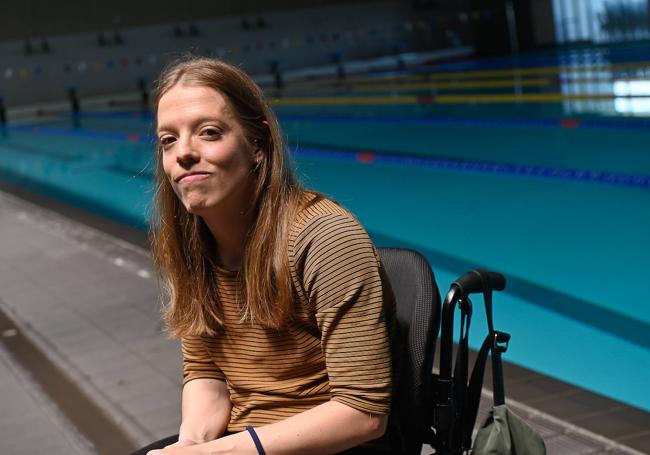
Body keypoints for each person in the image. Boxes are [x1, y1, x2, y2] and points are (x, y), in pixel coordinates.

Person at [138, 57, 399, 455]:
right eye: (168, 140)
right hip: (246, 441)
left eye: (208, 133)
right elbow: (206, 371)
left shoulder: (323, 237)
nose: (183, 153)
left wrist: (215, 454)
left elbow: (362, 413)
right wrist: (190, 445)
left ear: (257, 145)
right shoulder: (190, 245)